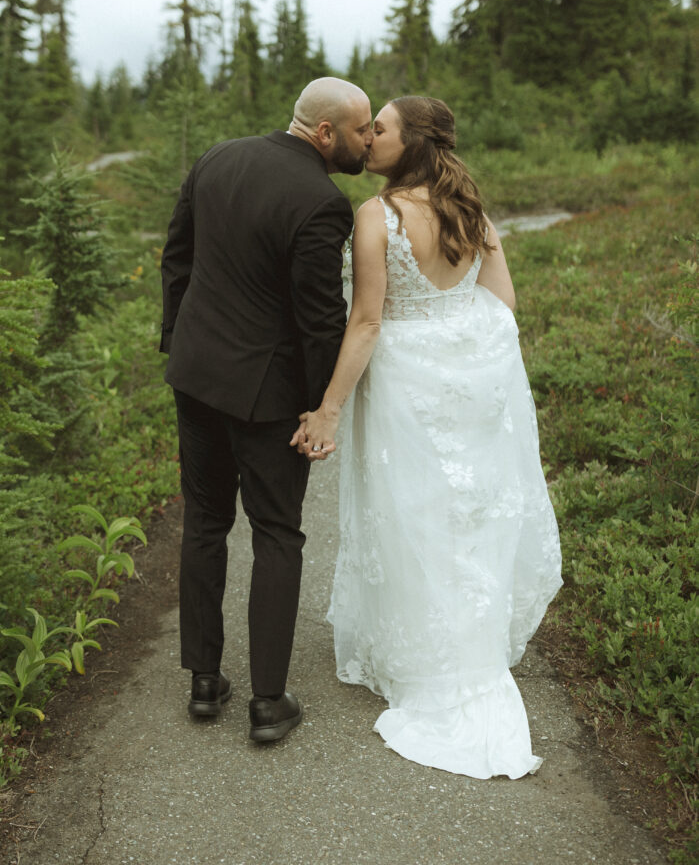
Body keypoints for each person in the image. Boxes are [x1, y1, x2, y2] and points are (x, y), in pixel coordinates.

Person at [294, 95, 562, 777]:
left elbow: (366, 323)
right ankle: (464, 643)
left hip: (403, 387)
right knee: (465, 516)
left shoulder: (376, 215)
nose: (368, 136)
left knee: (412, 514)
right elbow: (501, 305)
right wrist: (459, 346)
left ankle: (429, 662)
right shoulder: (472, 211)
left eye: (378, 127)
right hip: (469, 383)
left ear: (407, 143)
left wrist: (326, 409)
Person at [160, 77, 372, 742]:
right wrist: (319, 407)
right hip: (268, 397)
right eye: (362, 130)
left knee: (204, 523)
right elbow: (318, 320)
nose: (369, 140)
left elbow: (177, 261)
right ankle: (267, 702)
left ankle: (202, 682)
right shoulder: (321, 202)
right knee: (277, 533)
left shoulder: (216, 157)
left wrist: (179, 344)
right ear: (325, 133)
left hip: (195, 378)